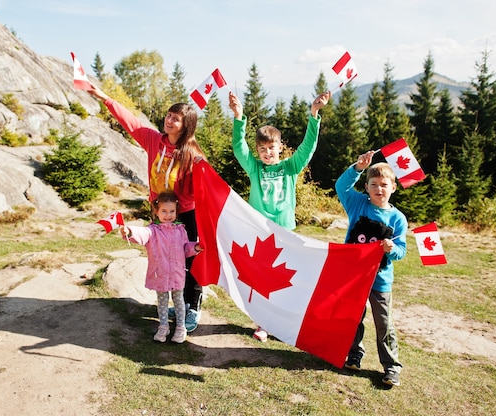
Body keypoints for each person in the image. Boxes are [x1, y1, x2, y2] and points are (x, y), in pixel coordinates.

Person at [88, 85, 206, 332]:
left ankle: (192, 306)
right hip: (161, 215)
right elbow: (129, 121)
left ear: (186, 126)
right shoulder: (154, 140)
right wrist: (105, 98)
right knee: (166, 259)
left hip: (186, 214)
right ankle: (177, 303)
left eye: (176, 119)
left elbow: (206, 186)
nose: (169, 120)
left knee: (189, 259)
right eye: (169, 115)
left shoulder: (192, 153)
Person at [228, 89, 331, 341]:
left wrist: (314, 114)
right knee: (262, 278)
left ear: (280, 147)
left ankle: (284, 322)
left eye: (271, 148)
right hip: (261, 231)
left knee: (287, 277)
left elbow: (308, 148)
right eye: (262, 149)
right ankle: (263, 324)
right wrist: (239, 117)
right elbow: (239, 148)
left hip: (286, 231)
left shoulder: (290, 167)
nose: (267, 153)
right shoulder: (254, 168)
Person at [335, 150, 408, 387]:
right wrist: (357, 168)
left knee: (383, 323)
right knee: (353, 317)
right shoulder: (357, 204)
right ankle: (354, 354)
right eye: (373, 184)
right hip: (353, 276)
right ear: (366, 187)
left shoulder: (398, 219)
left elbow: (402, 251)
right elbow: (341, 187)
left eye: (384, 185)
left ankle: (392, 366)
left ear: (393, 188)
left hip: (380, 280)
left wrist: (391, 249)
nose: (379, 189)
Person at [119, 191, 203, 343]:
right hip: (160, 273)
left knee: (179, 301)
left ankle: (180, 327)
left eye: (172, 211)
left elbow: (185, 249)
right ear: (156, 211)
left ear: (176, 212)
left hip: (177, 273)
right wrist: (129, 231)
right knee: (162, 301)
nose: (168, 215)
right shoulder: (152, 230)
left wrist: (195, 247)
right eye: (164, 211)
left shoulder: (180, 230)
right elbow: (141, 234)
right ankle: (163, 326)